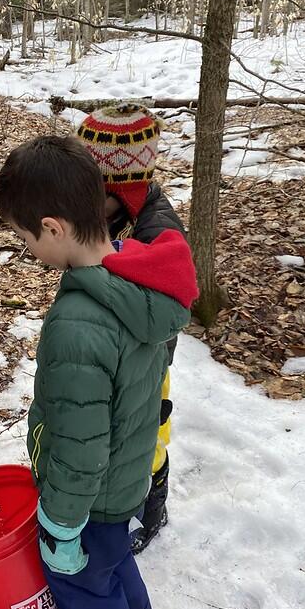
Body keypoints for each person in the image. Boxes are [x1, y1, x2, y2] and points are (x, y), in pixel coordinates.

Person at [0, 135, 198, 609]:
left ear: (54, 227)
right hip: (128, 475)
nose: (25, 247)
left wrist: (61, 526)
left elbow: (82, 444)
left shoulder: (78, 324)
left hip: (92, 496)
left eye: (23, 235)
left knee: (86, 585)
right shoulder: (138, 276)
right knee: (113, 563)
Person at [77, 103, 186, 553]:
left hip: (149, 356)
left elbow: (161, 313)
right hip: (119, 352)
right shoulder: (119, 215)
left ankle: (154, 505)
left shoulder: (158, 234)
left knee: (150, 433)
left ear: (123, 188)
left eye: (90, 194)